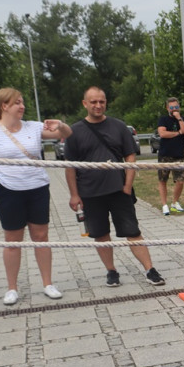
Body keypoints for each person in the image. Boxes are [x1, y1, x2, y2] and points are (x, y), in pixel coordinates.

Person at [0, 87, 72, 305]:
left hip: (37, 188)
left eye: (22, 102)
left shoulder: (33, 126)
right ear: (4, 106)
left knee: (41, 238)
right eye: (16, 103)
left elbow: (65, 134)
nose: (22, 106)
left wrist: (60, 125)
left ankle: (48, 284)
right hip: (8, 191)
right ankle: (12, 288)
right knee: (13, 241)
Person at [64, 87, 165, 288]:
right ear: (85, 103)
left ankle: (149, 269)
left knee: (132, 231)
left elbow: (130, 156)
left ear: (106, 102)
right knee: (101, 234)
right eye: (93, 102)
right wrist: (74, 195)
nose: (98, 105)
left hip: (119, 191)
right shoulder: (74, 131)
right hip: (90, 193)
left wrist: (127, 185)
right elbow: (69, 166)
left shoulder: (118, 126)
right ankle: (111, 271)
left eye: (101, 101)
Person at [156, 97, 184, 215]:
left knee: (180, 180)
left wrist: (179, 119)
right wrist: (177, 133)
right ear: (167, 108)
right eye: (172, 107)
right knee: (163, 180)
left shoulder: (183, 119)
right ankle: (164, 204)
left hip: (179, 155)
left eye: (176, 107)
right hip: (165, 154)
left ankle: (175, 202)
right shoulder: (163, 119)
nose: (174, 109)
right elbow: (162, 133)